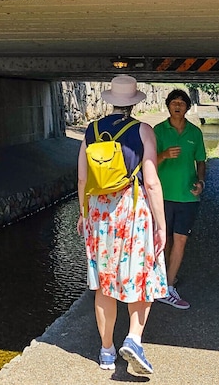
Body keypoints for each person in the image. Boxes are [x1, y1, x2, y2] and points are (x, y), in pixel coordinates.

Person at [77, 75, 168, 375]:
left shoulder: (90, 131)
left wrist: (83, 213)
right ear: (134, 103)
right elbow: (152, 181)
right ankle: (134, 338)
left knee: (104, 285)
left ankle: (106, 351)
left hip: (100, 215)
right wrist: (161, 225)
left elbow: (82, 179)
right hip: (133, 209)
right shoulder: (143, 131)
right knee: (142, 276)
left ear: (111, 100)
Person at [153, 89, 207, 310]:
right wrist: (163, 155)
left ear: (187, 107)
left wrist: (201, 182)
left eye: (182, 103)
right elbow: (146, 163)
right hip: (162, 196)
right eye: (174, 102)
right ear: (168, 106)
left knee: (181, 239)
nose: (177, 106)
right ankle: (164, 278)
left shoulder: (195, 133)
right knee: (163, 241)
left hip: (187, 197)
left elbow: (201, 161)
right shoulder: (157, 131)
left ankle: (167, 286)